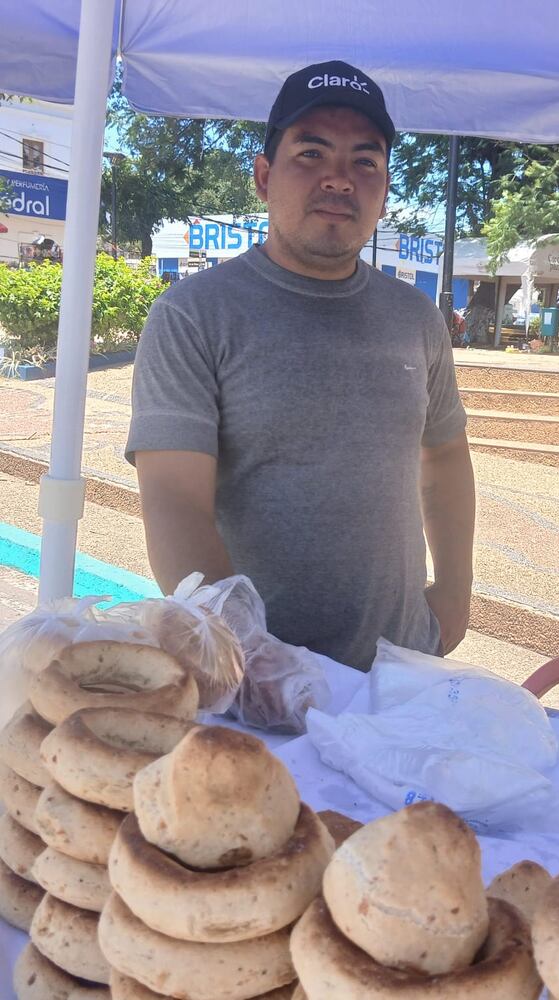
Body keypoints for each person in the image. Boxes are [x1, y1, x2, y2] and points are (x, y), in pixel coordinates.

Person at [126, 60, 475, 672]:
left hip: (399, 669)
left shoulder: (417, 318)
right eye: (311, 154)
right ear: (263, 177)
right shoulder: (192, 315)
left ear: (385, 191)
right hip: (254, 679)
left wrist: (454, 594)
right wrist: (245, 656)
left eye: (364, 162)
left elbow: (444, 455)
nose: (340, 179)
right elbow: (176, 501)